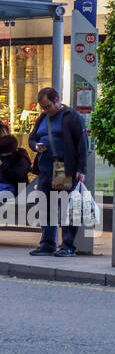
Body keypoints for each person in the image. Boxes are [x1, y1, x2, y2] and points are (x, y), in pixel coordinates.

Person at [27, 87, 87, 257]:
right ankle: (47, 244)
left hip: (62, 167)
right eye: (43, 108)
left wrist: (81, 169)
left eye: (47, 106)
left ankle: (67, 245)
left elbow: (82, 143)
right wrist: (35, 146)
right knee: (46, 207)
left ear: (57, 100)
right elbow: (32, 138)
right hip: (45, 168)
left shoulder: (70, 117)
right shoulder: (42, 118)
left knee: (64, 207)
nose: (45, 110)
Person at [0, 132, 31, 196]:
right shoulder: (6, 157)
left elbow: (17, 176)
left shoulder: (21, 158)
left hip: (17, 191)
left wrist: (2, 166)